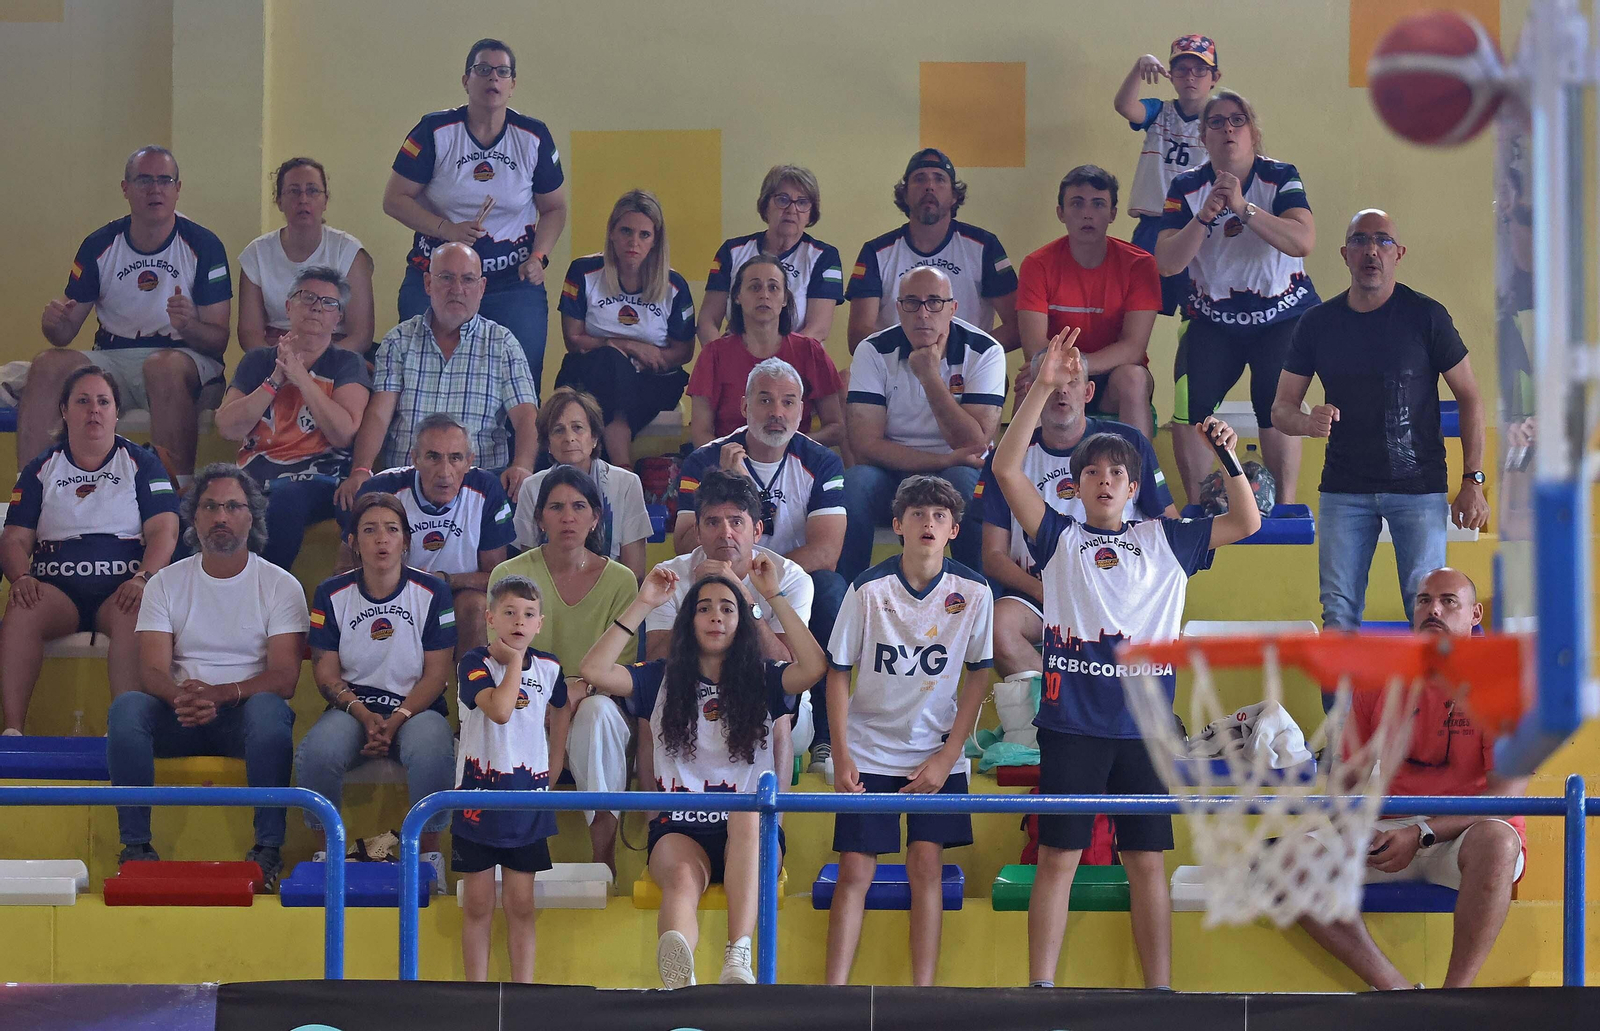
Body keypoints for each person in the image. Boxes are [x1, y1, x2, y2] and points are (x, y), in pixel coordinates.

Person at [992, 328, 1261, 989]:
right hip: (1072, 727)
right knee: (1058, 859)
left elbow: (1247, 523)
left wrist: (1229, 458)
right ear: (1074, 486)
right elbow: (1005, 470)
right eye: (1092, 473)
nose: (1105, 480)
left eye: (1116, 473)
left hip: (1146, 730)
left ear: (1135, 485)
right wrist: (1042, 389)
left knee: (1146, 863)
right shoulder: (1058, 537)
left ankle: (1159, 993)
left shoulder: (1168, 539)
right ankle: (1039, 989)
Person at [579, 559, 826, 987]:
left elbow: (815, 666)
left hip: (750, 832)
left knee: (748, 817)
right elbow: (593, 670)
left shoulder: (766, 677)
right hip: (680, 827)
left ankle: (738, 958)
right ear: (687, 621)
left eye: (727, 608)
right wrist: (644, 602)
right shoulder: (658, 678)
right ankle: (681, 978)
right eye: (704, 608)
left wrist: (772, 596)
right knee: (680, 878)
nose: (716, 616)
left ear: (742, 621)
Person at [1298, 567, 1527, 990]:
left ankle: (1453, 998)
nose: (1433, 609)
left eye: (1448, 601)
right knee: (1290, 860)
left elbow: (1507, 798)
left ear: (1475, 614)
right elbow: (1346, 781)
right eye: (1424, 601)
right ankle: (1401, 997)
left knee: (1500, 842)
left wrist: (1421, 833)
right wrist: (1355, 828)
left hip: (1467, 833)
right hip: (1391, 830)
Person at [1272, 210, 1489, 630]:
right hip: (1344, 489)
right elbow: (1281, 409)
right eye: (1360, 240)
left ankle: (1430, 681)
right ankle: (1344, 682)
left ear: (1398, 253)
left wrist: (1473, 481)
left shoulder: (1426, 316)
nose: (1371, 250)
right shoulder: (1317, 323)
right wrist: (1307, 423)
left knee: (1430, 613)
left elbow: (1470, 396)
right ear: (1344, 254)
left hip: (1419, 488)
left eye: (1382, 240)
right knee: (1338, 613)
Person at [824, 475, 993, 987]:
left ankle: (923, 996)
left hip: (935, 750)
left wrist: (948, 756)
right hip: (870, 748)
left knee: (925, 864)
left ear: (954, 530)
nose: (928, 523)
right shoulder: (866, 588)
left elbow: (979, 674)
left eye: (940, 516)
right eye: (918, 513)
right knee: (856, 869)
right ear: (897, 524)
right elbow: (838, 671)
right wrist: (842, 754)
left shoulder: (975, 591)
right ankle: (832, 995)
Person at [108, 465, 307, 888]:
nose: (221, 516)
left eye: (233, 506)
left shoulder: (281, 585)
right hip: (179, 712)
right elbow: (151, 671)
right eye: (210, 506)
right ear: (193, 517)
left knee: (270, 712)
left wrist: (222, 694)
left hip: (243, 717)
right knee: (127, 708)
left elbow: (285, 677)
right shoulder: (164, 583)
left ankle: (268, 849)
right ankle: (136, 848)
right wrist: (184, 697)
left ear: (251, 517)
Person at [675, 358, 847, 773]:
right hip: (717, 575)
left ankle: (823, 735)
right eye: (765, 400)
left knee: (830, 589)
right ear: (744, 405)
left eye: (788, 402)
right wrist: (725, 483)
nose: (777, 412)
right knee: (676, 583)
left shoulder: (821, 461)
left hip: (783, 583)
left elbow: (825, 552)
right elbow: (682, 543)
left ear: (802, 410)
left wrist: (752, 572)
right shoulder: (705, 460)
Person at [25, 145, 231, 479]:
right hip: (113, 356)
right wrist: (53, 324)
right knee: (47, 364)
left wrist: (189, 325)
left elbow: (218, 340)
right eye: (144, 180)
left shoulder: (203, 245)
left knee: (162, 366)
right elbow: (63, 334)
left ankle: (173, 495)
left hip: (183, 356)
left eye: (165, 180)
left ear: (178, 188)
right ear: (125, 188)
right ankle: (30, 490)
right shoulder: (99, 244)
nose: (155, 189)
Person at [1156, 90, 1319, 506]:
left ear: (1253, 133)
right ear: (1203, 137)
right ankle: (1197, 510)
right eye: (1216, 122)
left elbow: (1303, 240)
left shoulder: (1280, 176)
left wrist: (1243, 207)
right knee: (1189, 405)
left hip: (1282, 315)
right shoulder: (1185, 186)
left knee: (1275, 404)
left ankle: (1283, 509)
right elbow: (1168, 263)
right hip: (1213, 319)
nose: (1227, 128)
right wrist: (1204, 215)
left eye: (1237, 120)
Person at [1, 367, 180, 733]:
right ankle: (13, 731)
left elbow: (165, 530)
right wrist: (19, 577)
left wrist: (143, 578)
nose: (94, 410)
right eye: (83, 401)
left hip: (121, 590)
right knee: (21, 607)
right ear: (64, 411)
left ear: (116, 412)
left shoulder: (143, 464)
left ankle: (126, 733)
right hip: (56, 591)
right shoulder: (40, 469)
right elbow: (15, 539)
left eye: (103, 402)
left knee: (139, 612)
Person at [980, 348, 1177, 681]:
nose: (1062, 391)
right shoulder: (1010, 456)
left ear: (1088, 392)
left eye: (1072, 382)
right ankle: (1054, 701)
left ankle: (1076, 699)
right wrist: (1046, 591)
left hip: (1117, 593)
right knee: (998, 626)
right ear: (1033, 391)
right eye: (1052, 383)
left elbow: (1168, 525)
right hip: (1041, 596)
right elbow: (993, 555)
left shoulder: (1128, 442)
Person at [385, 37, 568, 384]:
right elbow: (394, 199)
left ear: (513, 85)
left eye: (502, 72)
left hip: (511, 280)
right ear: (466, 80)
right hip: (438, 277)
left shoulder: (533, 136)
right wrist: (446, 229)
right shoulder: (434, 131)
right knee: (421, 377)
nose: (493, 78)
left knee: (520, 380)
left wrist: (539, 257)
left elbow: (555, 207)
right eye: (482, 70)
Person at [297, 492, 457, 883]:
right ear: (353, 542)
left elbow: (437, 675)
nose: (381, 539)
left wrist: (397, 718)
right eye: (369, 530)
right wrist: (364, 715)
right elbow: (325, 674)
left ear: (406, 540)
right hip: (353, 708)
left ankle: (429, 858)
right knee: (317, 752)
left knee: (433, 750)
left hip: (417, 708)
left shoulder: (433, 592)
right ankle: (326, 854)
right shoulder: (330, 594)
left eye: (391, 529)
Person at [490, 466, 639, 873]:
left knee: (597, 714)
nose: (568, 517)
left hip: (594, 706)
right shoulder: (509, 575)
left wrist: (578, 691)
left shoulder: (621, 580)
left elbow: (621, 671)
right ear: (540, 519)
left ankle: (603, 862)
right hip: (527, 703)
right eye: (556, 507)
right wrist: (553, 697)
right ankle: (507, 857)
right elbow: (500, 655)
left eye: (579, 507)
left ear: (595, 518)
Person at [645, 469, 815, 800]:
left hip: (775, 711)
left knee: (772, 700)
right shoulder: (672, 576)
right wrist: (696, 599)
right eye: (713, 522)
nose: (725, 533)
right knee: (651, 705)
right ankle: (660, 819)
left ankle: (772, 821)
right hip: (691, 704)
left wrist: (742, 596)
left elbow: (788, 668)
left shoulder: (790, 578)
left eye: (737, 522)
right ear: (697, 531)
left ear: (757, 530)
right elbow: (656, 662)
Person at [336, 241, 540, 508]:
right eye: (446, 278)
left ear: (482, 288)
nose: (457, 289)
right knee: (350, 505)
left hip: (478, 488)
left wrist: (522, 466)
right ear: (428, 284)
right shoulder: (399, 341)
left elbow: (526, 416)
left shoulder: (503, 344)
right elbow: (378, 415)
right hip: (407, 486)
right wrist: (361, 469)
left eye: (468, 279)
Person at [840, 266, 1005, 583]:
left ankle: (983, 595)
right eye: (912, 303)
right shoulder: (873, 350)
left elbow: (975, 443)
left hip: (959, 470)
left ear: (953, 308)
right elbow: (865, 445)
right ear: (898, 308)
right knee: (855, 483)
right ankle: (849, 595)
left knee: (966, 481)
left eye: (934, 302)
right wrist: (943, 460)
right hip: (892, 471)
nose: (923, 313)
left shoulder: (985, 350)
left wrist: (929, 377)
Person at [454, 575, 572, 984]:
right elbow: (501, 710)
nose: (519, 621)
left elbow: (562, 706)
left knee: (521, 904)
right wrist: (515, 663)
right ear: (490, 618)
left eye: (528, 614)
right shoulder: (473, 663)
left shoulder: (550, 666)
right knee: (478, 904)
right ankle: (476, 993)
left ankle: (523, 993)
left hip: (527, 803)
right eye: (509, 612)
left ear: (540, 623)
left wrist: (555, 760)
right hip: (477, 803)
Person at [214, 266, 372, 572]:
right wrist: (275, 380)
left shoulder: (347, 363)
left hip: (318, 481)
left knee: (286, 500)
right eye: (307, 297)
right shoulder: (258, 360)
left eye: (329, 303)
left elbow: (343, 433)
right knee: (199, 502)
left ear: (338, 317)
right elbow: (228, 427)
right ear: (288, 306)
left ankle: (264, 588)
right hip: (253, 482)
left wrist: (300, 377)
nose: (317, 307)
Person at [347, 413, 514, 661]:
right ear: (414, 458)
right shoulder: (382, 489)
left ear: (469, 461)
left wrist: (446, 580)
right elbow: (346, 566)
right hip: (391, 593)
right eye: (433, 457)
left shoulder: (486, 488)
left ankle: (472, 684)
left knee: (475, 605)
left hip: (458, 595)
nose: (445, 472)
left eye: (455, 458)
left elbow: (497, 578)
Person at [1015, 166, 1162, 440]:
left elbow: (1133, 348)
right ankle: (1022, 467)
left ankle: (1139, 466)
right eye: (1077, 203)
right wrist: (1065, 372)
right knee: (1030, 379)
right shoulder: (1037, 265)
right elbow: (1034, 347)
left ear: (1113, 213)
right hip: (1057, 374)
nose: (1087, 213)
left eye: (1098, 204)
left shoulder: (1140, 265)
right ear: (1061, 213)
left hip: (1111, 378)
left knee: (1134, 378)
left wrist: (1077, 366)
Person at [553, 190, 696, 468]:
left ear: (656, 240)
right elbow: (573, 339)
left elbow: (684, 351)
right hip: (591, 372)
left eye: (644, 235)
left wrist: (649, 360)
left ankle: (610, 468)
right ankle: (622, 467)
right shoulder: (582, 272)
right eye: (626, 231)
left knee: (613, 382)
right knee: (610, 364)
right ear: (612, 233)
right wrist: (627, 347)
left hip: (651, 380)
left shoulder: (674, 285)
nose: (634, 242)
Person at [846, 148, 1018, 353]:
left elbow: (1016, 326)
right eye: (919, 179)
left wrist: (965, 355)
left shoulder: (984, 246)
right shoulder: (876, 252)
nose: (929, 186)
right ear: (905, 194)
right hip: (895, 366)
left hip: (967, 367)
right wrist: (912, 357)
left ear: (954, 196)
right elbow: (858, 335)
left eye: (939, 179)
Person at [687, 254, 845, 447]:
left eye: (773, 287)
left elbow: (836, 428)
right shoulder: (713, 354)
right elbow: (701, 433)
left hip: (794, 458)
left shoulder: (810, 351)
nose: (764, 295)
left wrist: (787, 447)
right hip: (730, 460)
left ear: (785, 298)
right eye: (755, 287)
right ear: (737, 297)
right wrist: (735, 458)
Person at [1113, 34, 1221, 315]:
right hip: (1154, 223)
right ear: (1170, 75)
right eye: (1182, 69)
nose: (1190, 77)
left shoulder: (1219, 123)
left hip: (1198, 227)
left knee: (1198, 308)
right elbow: (1124, 106)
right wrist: (1139, 66)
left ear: (1214, 77)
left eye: (1200, 70)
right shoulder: (1159, 111)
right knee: (1139, 305)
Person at [238, 157, 375, 354]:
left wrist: (314, 362)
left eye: (312, 191)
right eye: (294, 191)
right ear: (279, 201)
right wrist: (281, 361)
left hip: (336, 356)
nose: (303, 199)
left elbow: (361, 335)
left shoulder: (348, 252)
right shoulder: (256, 254)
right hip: (275, 356)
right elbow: (249, 334)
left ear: (325, 200)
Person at [515, 387, 652, 582]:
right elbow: (528, 568)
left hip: (612, 592)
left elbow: (634, 573)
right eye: (558, 430)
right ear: (548, 443)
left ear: (594, 437)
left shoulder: (626, 483)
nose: (569, 438)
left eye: (578, 428)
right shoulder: (531, 488)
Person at [697, 165, 844, 345]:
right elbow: (707, 322)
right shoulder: (732, 251)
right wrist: (720, 356)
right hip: (735, 355)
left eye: (802, 202)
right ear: (765, 205)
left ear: (811, 213)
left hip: (796, 359)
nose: (792, 209)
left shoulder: (824, 257)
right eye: (782, 200)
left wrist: (772, 358)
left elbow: (818, 329)